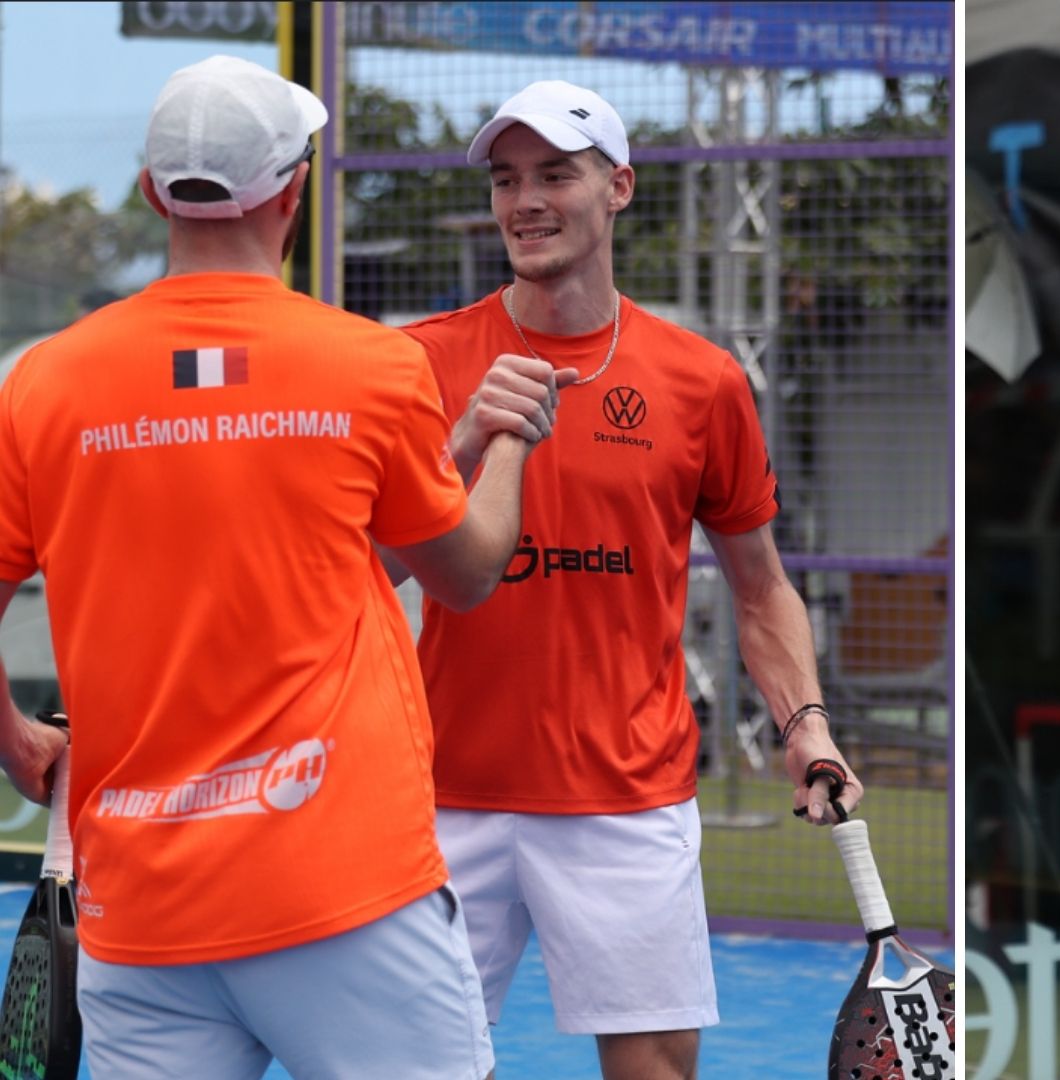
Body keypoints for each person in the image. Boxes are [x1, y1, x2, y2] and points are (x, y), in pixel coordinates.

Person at [0, 55, 560, 1079]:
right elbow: (467, 572)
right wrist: (508, 436)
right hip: (346, 892)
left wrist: (13, 739)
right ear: (294, 190)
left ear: (150, 192)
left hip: (141, 911)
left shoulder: (43, 384)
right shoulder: (373, 367)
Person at [397, 81, 866, 1080]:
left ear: (618, 188)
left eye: (554, 175)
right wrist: (465, 439)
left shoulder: (702, 380)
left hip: (627, 798)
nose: (524, 200)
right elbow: (352, 564)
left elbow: (761, 586)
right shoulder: (418, 363)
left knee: (654, 1069)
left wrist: (805, 723)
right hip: (436, 792)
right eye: (506, 178)